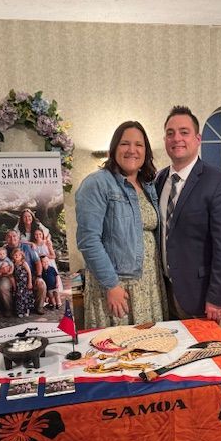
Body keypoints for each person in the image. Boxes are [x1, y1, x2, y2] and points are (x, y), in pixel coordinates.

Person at [157, 105, 221, 339]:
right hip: (169, 293)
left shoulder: (219, 183)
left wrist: (216, 297)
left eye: (184, 132)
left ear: (197, 139)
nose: (177, 138)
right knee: (184, 367)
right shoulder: (160, 179)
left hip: (207, 299)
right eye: (170, 133)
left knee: (217, 366)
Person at [75, 120, 167, 328]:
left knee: (151, 353)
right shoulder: (97, 183)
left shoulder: (148, 185)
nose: (132, 150)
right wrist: (112, 285)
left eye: (139, 145)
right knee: (118, 354)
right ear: (114, 147)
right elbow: (88, 241)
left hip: (149, 285)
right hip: (119, 287)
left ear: (146, 151)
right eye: (125, 143)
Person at [0, 229, 47, 317]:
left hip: (28, 276)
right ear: (6, 239)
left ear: (18, 237)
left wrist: (39, 275)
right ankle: (9, 308)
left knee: (41, 283)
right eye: (9, 236)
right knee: (2, 286)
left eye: (14, 236)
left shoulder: (27, 247)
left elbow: (37, 262)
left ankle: (39, 307)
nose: (12, 238)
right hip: (11, 277)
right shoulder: (3, 250)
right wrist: (3, 270)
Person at [12, 248, 34, 318]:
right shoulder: (13, 264)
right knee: (19, 297)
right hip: (19, 284)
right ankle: (20, 311)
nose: (17, 256)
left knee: (26, 297)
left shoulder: (24, 263)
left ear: (22, 256)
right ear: (13, 256)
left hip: (25, 283)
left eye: (19, 255)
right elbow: (12, 275)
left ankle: (26, 310)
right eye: (15, 255)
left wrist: (30, 282)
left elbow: (29, 273)